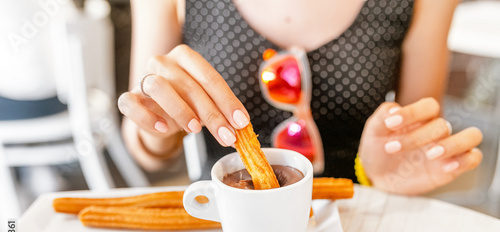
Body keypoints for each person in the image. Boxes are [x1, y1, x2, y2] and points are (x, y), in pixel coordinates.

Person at [118, 0, 483, 195]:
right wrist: (159, 125)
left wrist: (383, 169)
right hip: (222, 218)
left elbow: (411, 143)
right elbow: (145, 152)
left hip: (353, 217)